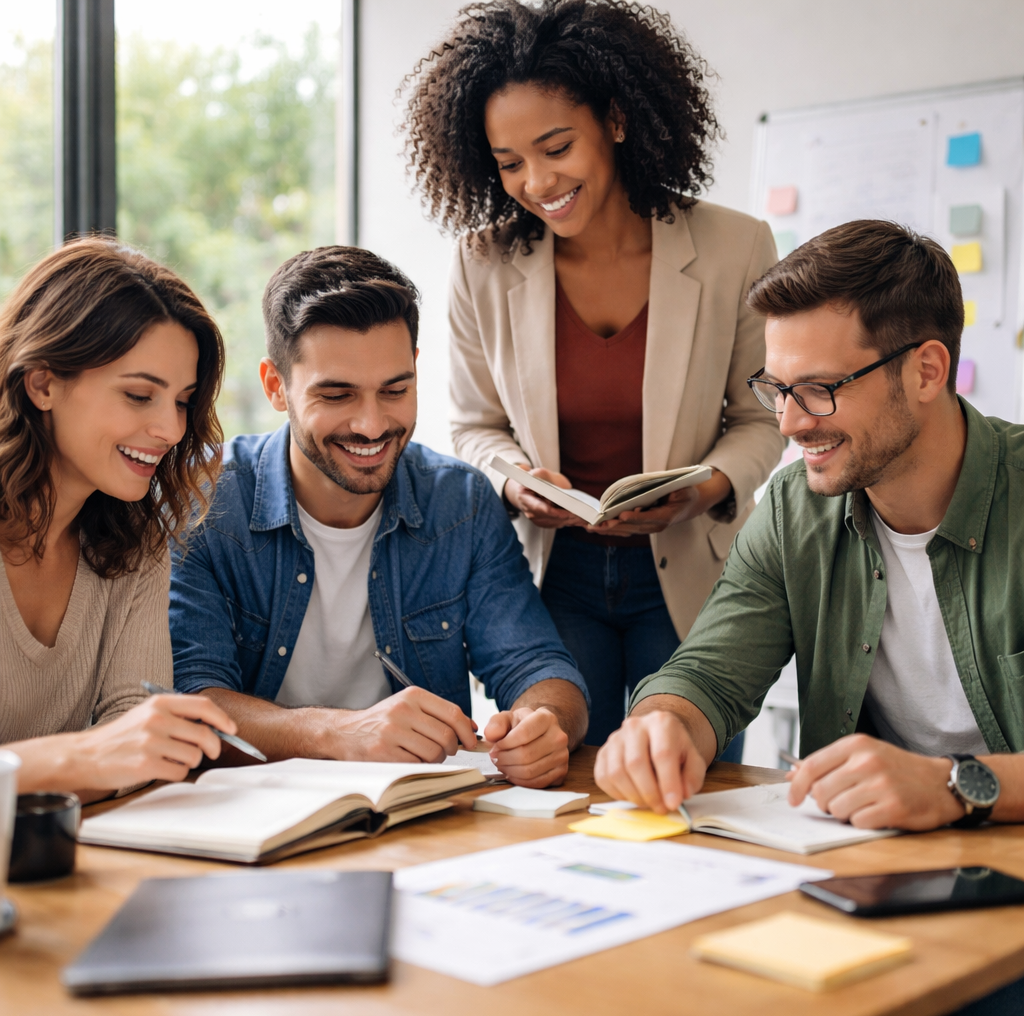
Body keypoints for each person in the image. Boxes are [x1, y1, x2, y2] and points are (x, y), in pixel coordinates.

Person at [402, 0, 784, 747]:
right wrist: (514, 481)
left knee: (684, 778)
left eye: (556, 148)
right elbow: (476, 424)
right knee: (563, 772)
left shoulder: (735, 246)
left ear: (615, 119)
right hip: (557, 574)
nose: (537, 181)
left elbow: (763, 414)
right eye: (510, 163)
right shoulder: (482, 263)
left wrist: (704, 488)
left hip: (689, 570)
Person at [594, 220, 1024, 835]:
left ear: (927, 372)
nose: (790, 424)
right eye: (777, 389)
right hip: (871, 858)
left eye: (820, 389)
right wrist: (663, 724)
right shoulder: (791, 508)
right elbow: (709, 675)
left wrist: (951, 786)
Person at [170, 246, 590, 788]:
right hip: (255, 807)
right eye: (337, 395)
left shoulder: (460, 503)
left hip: (418, 812)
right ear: (276, 386)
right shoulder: (204, 504)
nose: (371, 426)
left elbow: (537, 665)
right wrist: (338, 733)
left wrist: (545, 722)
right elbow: (193, 700)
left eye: (395, 390)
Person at [0, 238, 237, 802]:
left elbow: (133, 741)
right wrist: (84, 757)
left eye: (182, 400)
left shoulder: (137, 542)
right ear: (42, 383)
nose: (172, 430)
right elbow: (111, 754)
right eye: (138, 395)